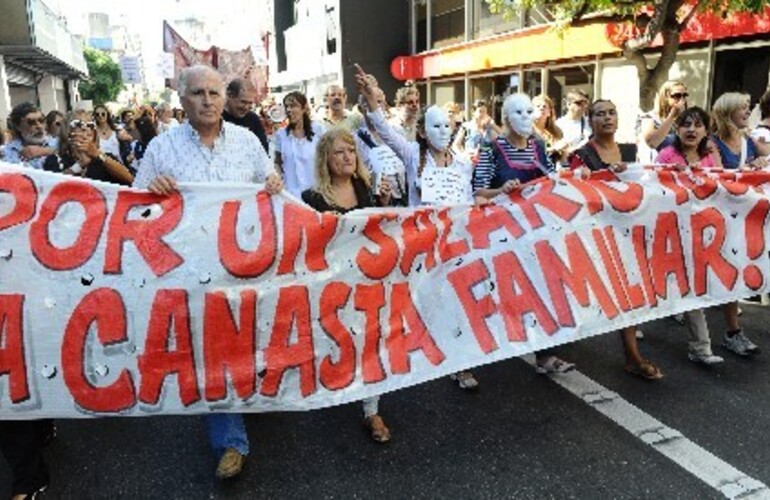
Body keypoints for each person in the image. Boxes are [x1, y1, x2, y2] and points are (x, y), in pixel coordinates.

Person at [133, 65, 283, 480]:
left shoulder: (247, 142)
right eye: (198, 93)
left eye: (214, 93)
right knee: (211, 351)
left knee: (249, 339)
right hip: (192, 271)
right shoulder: (161, 150)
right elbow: (137, 211)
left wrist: (273, 183)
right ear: (182, 100)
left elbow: (271, 185)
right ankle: (230, 441)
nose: (208, 101)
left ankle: (255, 395)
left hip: (246, 265)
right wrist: (153, 191)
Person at [357, 63, 490, 390]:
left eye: (448, 125)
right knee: (422, 301)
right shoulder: (412, 154)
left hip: (455, 240)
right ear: (424, 130)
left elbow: (469, 198)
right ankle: (413, 354)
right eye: (436, 126)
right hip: (423, 243)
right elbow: (383, 129)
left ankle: (461, 364)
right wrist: (371, 97)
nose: (443, 131)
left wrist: (489, 201)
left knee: (457, 300)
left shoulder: (460, 164)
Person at [301, 128, 394, 442]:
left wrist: (383, 204)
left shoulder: (366, 187)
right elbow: (305, 246)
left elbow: (386, 228)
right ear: (326, 159)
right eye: (339, 152)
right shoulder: (311, 199)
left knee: (372, 340)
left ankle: (371, 410)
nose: (347, 157)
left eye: (351, 151)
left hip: (369, 281)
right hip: (334, 286)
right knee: (338, 340)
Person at [569, 99, 663, 379]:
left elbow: (645, 186)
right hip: (596, 232)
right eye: (600, 114)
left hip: (628, 230)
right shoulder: (581, 155)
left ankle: (632, 355)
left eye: (612, 112)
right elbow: (572, 193)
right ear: (590, 120)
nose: (607, 118)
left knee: (629, 291)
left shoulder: (631, 151)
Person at [354, 89, 408, 206]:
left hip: (403, 199)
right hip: (376, 201)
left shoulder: (397, 132)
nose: (376, 107)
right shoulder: (355, 139)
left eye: (380, 102)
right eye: (371, 102)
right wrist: (377, 188)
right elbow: (358, 172)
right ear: (361, 108)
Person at [43, 117, 135, 185]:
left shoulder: (105, 158)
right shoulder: (55, 160)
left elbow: (130, 179)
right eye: (79, 124)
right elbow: (51, 189)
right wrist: (79, 166)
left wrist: (98, 155)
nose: (87, 129)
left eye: (91, 125)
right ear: (67, 133)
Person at [274, 91, 326, 197]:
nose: (289, 110)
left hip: (317, 193)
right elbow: (277, 163)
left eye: (293, 106)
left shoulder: (319, 129)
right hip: (291, 194)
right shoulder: (281, 134)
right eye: (286, 107)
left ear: (304, 108)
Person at [712, 92, 770, 171]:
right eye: (743, 108)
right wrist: (748, 166)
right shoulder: (712, 142)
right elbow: (717, 174)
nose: (749, 112)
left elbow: (767, 156)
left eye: (748, 108)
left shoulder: (749, 140)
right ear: (728, 112)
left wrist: (761, 161)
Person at [637, 80, 688, 163]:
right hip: (653, 170)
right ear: (665, 97)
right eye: (677, 95)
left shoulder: (682, 122)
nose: (682, 99)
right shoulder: (649, 118)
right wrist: (672, 116)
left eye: (684, 95)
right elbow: (652, 142)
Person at [655, 107, 722, 168]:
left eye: (698, 125)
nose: (691, 129)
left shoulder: (708, 158)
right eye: (686, 125)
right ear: (677, 130)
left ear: (706, 132)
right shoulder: (665, 156)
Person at [4, 102, 57, 169]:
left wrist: (44, 151)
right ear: (18, 126)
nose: (39, 126)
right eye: (31, 122)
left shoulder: (59, 143)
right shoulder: (8, 151)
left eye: (41, 120)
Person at [223, 77, 269, 153]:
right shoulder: (215, 118)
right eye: (243, 102)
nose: (246, 107)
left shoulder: (253, 119)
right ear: (229, 95)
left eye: (250, 103)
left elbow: (263, 151)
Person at [532, 94, 568, 165]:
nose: (541, 108)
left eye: (544, 106)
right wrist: (553, 149)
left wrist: (564, 151)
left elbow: (562, 160)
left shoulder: (555, 132)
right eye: (538, 106)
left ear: (549, 113)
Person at [555, 90, 591, 155]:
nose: (583, 106)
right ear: (568, 104)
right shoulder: (558, 125)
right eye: (579, 103)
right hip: (567, 163)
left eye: (585, 103)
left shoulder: (590, 123)